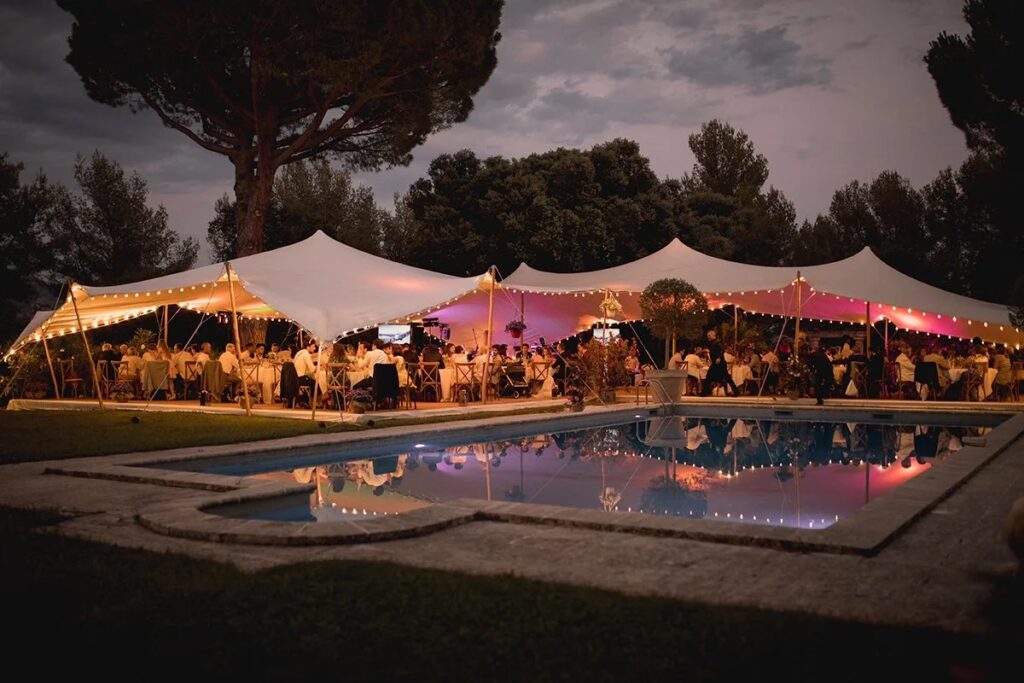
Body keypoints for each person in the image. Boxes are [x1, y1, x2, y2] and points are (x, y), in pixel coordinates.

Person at [701, 330, 739, 397]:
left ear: (713, 335)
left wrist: (719, 357)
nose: (708, 337)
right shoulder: (712, 343)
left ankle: (704, 392)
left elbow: (722, 350)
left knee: (711, 377)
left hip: (720, 363)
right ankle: (704, 392)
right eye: (707, 336)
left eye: (709, 335)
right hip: (716, 363)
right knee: (712, 377)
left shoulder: (717, 342)